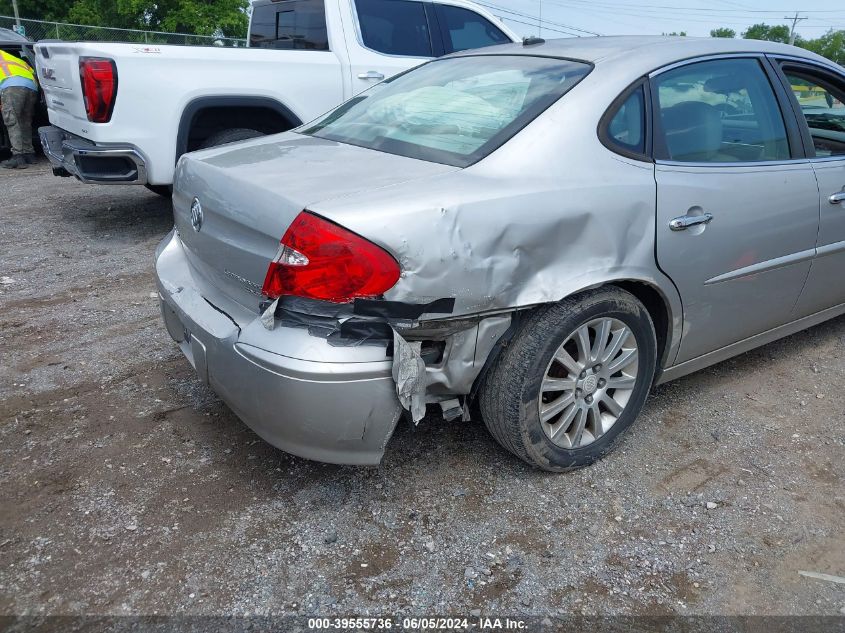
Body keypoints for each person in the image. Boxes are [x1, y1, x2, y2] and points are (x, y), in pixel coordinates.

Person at [0, 49, 39, 169]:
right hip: (32, 87)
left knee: (12, 121)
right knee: (25, 121)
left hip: (12, 86)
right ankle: (29, 154)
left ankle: (18, 157)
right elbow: (34, 73)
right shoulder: (16, 59)